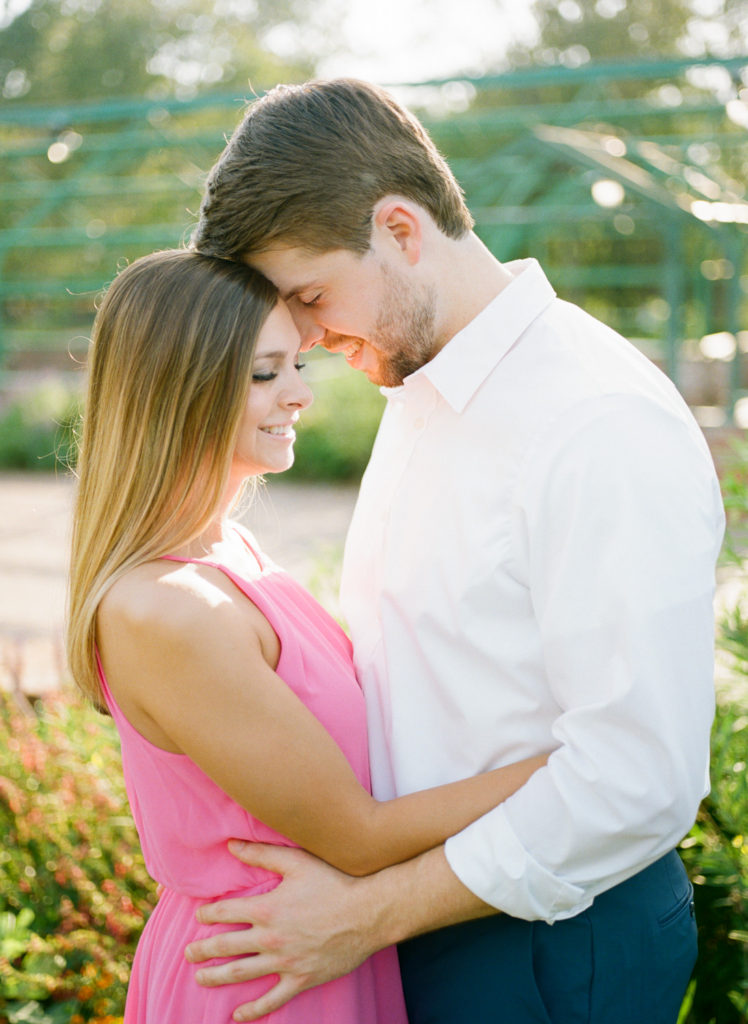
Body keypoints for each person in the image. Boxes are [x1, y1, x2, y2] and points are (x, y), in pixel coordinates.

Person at [186, 78, 726, 1024]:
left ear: (400, 230)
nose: (305, 335)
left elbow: (637, 777)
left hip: (550, 944)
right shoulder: (424, 385)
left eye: (310, 295)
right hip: (436, 922)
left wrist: (364, 915)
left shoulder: (593, 421)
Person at [66, 247, 548, 1023]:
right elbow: (358, 838)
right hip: (264, 974)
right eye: (265, 373)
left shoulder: (231, 551)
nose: (299, 397)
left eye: (296, 367)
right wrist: (576, 759)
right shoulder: (171, 609)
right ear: (175, 389)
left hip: (317, 945)